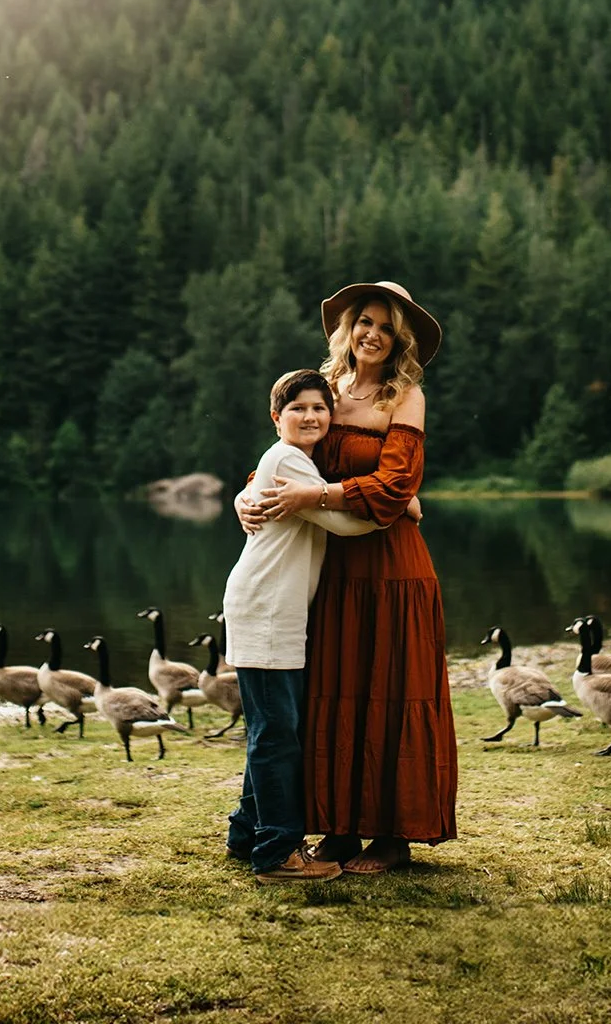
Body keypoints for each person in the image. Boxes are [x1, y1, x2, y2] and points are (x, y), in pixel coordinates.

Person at [239, 280, 455, 874]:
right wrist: (243, 496)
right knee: (332, 695)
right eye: (365, 322)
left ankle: (392, 836)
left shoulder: (403, 396)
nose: (373, 335)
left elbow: (394, 488)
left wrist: (324, 492)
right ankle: (336, 828)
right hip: (328, 569)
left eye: (387, 328)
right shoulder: (324, 389)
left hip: (391, 570)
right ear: (347, 328)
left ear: (400, 338)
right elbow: (282, 454)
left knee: (390, 693)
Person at [222, 369, 382, 882]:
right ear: (276, 419)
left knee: (270, 730)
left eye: (319, 407)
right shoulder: (288, 458)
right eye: (298, 409)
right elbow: (344, 520)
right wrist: (397, 507)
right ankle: (276, 853)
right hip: (267, 611)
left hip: (272, 610)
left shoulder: (297, 461)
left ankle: (246, 835)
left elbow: (317, 503)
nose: (311, 416)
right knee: (276, 736)